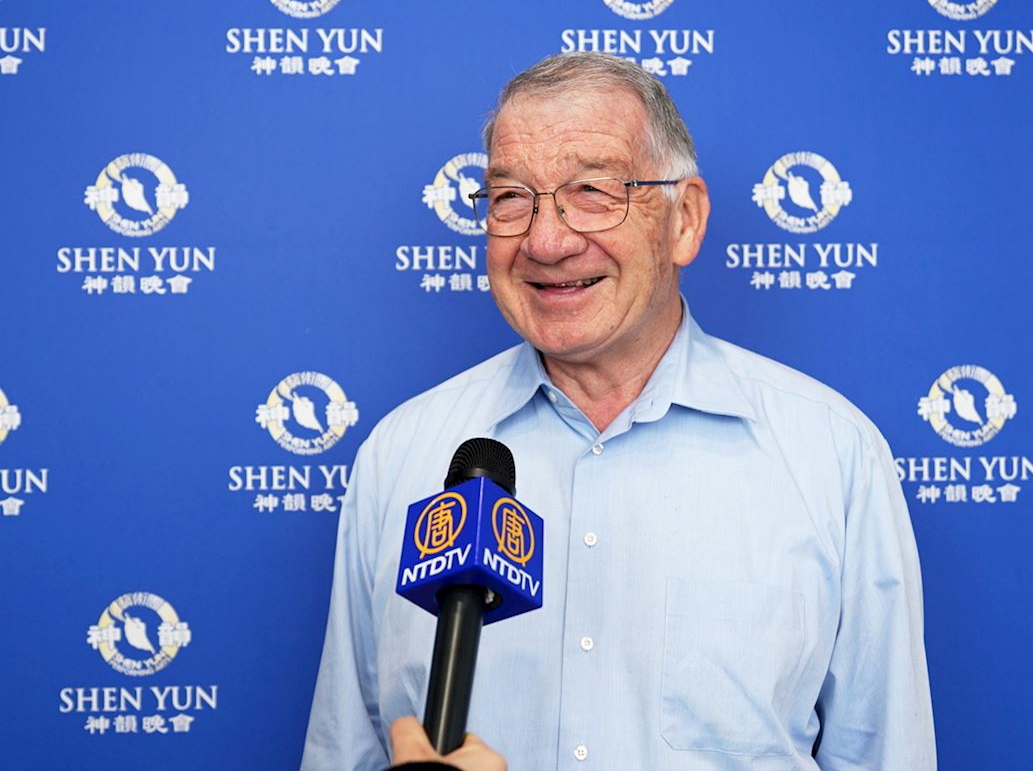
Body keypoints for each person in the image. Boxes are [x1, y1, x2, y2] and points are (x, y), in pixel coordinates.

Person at [301, 52, 936, 771]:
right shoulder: (400, 455)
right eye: (509, 197)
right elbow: (344, 752)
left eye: (593, 191)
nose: (545, 241)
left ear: (684, 219)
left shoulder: (832, 454)